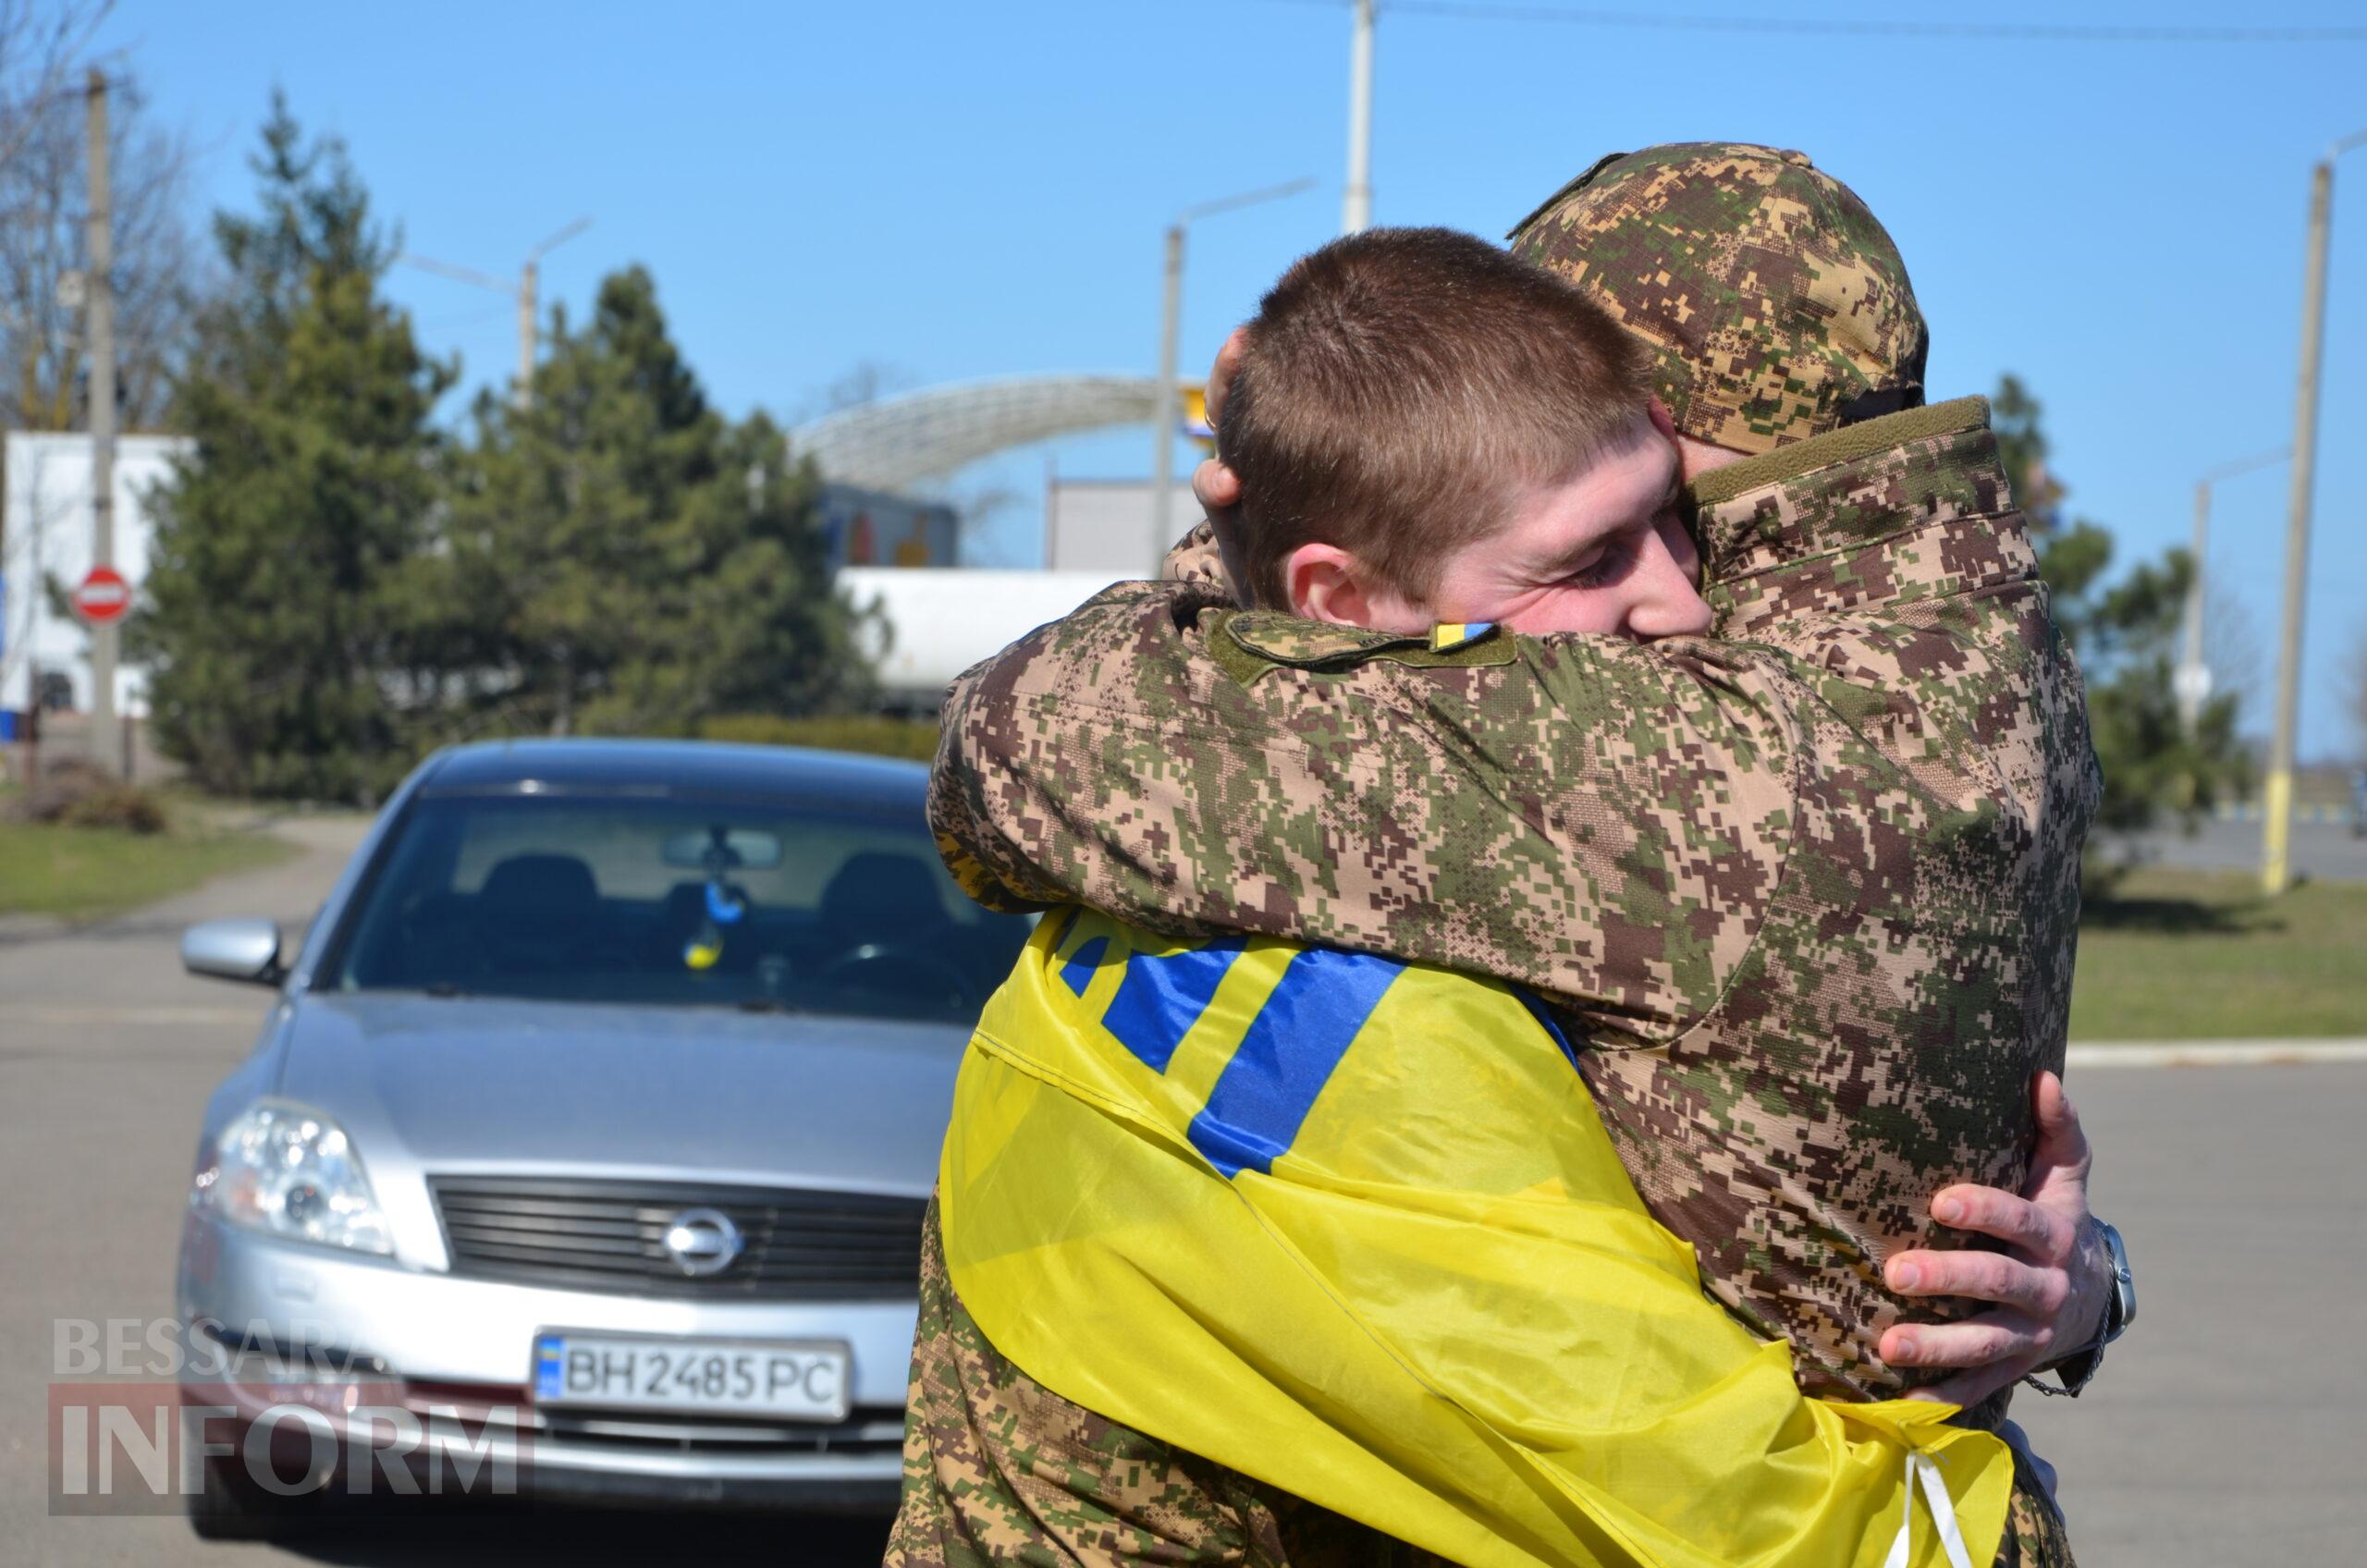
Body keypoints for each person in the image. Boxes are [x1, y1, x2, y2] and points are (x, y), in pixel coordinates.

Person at [907, 145, 2119, 1567]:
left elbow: (1016, 750)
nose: (1660, 592)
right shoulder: (1988, 657)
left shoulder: (1673, 744)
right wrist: (2095, 1291)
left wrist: (1286, 497)